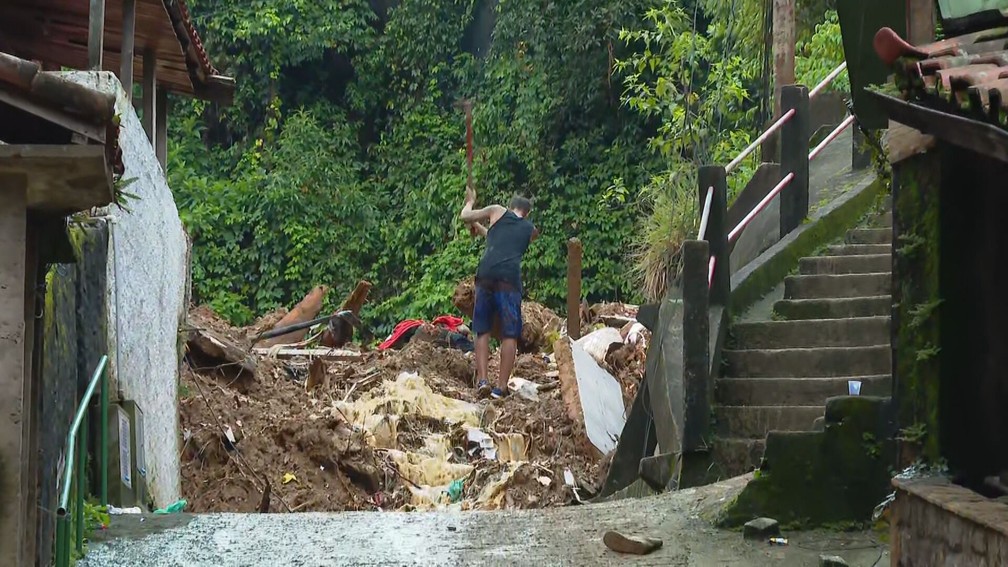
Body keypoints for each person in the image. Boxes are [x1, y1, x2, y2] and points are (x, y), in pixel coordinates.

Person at [460, 185, 538, 399]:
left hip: (485, 275)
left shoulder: (496, 210)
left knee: (482, 329)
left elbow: (465, 216)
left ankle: (483, 380)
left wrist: (470, 201)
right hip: (509, 281)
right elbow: (503, 241)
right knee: (509, 333)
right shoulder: (530, 230)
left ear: (510, 206)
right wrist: (477, 226)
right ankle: (501, 387)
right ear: (527, 213)